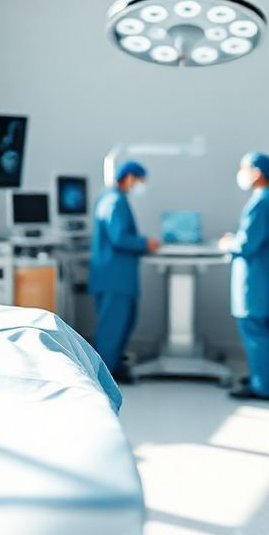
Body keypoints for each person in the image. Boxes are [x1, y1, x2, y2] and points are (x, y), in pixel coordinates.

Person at [220, 152, 269, 402]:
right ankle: (262, 378)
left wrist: (229, 242)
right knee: (261, 332)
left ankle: (262, 387)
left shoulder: (261, 202)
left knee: (256, 332)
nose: (241, 173)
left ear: (257, 172)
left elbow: (248, 244)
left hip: (255, 280)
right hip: (262, 277)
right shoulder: (268, 199)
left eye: (243, 168)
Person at [89, 160, 161, 380]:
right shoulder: (113, 201)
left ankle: (113, 367)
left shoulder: (115, 199)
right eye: (140, 181)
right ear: (128, 177)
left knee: (123, 323)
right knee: (112, 327)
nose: (140, 185)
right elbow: (118, 237)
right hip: (114, 278)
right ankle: (104, 375)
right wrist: (144, 244)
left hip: (118, 277)